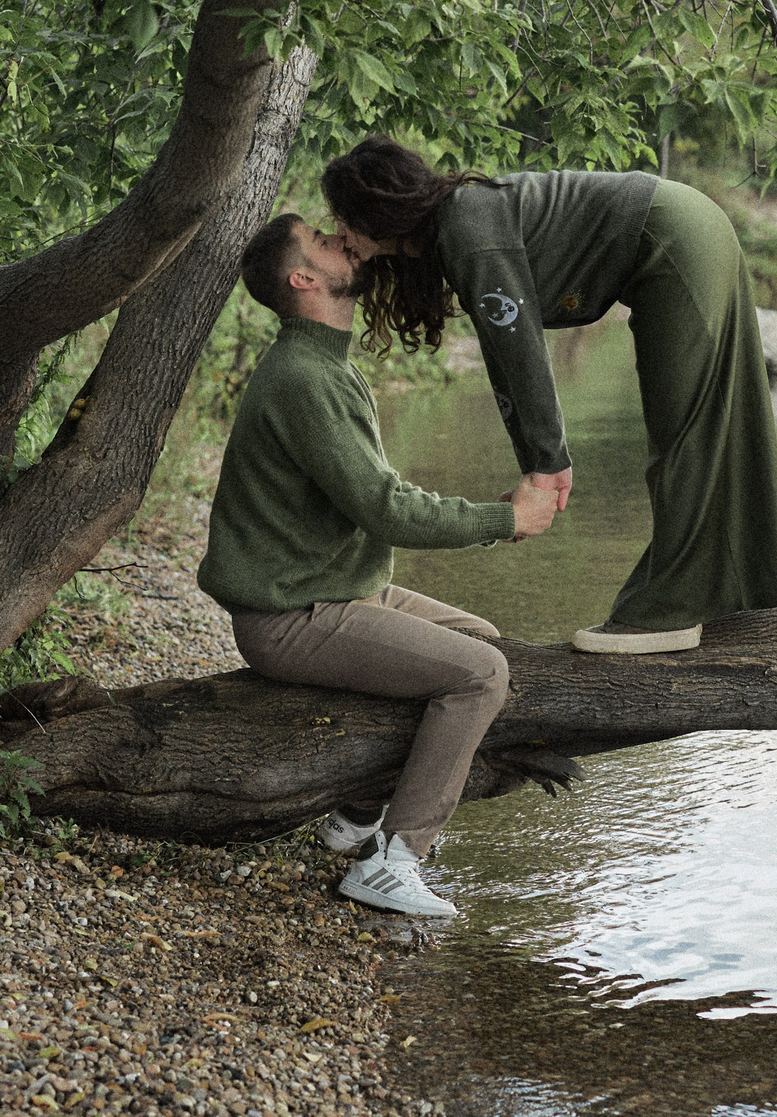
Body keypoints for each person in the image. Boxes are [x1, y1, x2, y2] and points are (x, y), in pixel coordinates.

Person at [202, 212, 558, 920]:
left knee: (482, 641)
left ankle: (361, 805)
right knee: (481, 676)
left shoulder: (329, 366)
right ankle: (392, 861)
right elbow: (387, 509)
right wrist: (504, 520)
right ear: (303, 279)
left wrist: (495, 515)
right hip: (292, 616)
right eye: (323, 241)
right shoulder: (303, 378)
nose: (343, 239)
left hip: (343, 590)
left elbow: (377, 498)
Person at [322, 136, 777, 656]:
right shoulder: (454, 230)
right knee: (725, 420)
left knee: (685, 435)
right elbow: (503, 349)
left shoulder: (465, 228)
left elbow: (521, 350)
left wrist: (548, 461)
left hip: (673, 236)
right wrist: (540, 461)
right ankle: (762, 592)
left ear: (376, 210)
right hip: (684, 226)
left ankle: (671, 611)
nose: (339, 232)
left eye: (343, 218)